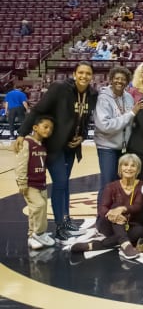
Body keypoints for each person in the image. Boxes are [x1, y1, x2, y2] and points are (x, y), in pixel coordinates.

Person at [15, 61, 98, 240]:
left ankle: (66, 220)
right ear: (75, 74)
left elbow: (85, 119)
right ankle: (60, 227)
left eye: (88, 74)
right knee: (60, 183)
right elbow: (38, 109)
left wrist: (82, 136)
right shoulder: (60, 88)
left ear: (92, 77)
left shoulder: (92, 94)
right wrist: (22, 132)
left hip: (71, 146)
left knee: (65, 184)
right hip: (54, 146)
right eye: (81, 73)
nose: (84, 76)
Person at [71, 153, 143, 259]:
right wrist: (112, 214)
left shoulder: (142, 186)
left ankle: (93, 245)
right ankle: (126, 245)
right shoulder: (111, 186)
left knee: (140, 231)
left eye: (133, 166)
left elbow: (138, 206)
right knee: (114, 207)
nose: (129, 168)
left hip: (130, 224)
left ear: (138, 169)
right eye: (125, 165)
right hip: (108, 224)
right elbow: (102, 208)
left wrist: (122, 209)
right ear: (120, 168)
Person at [94, 66, 143, 208]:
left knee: (121, 183)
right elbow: (106, 126)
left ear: (127, 82)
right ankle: (101, 221)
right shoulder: (103, 98)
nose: (119, 81)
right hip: (107, 147)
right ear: (111, 80)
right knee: (108, 183)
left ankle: (117, 217)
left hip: (123, 147)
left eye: (123, 79)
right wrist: (131, 113)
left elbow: (129, 122)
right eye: (116, 78)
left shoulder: (128, 97)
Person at [15, 116, 56, 250]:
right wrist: (21, 182)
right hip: (30, 183)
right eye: (45, 126)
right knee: (38, 205)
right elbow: (21, 164)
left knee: (40, 210)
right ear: (35, 127)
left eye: (51, 128)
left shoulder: (42, 145)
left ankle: (35, 234)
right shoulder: (27, 142)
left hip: (41, 182)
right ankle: (37, 234)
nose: (48, 130)